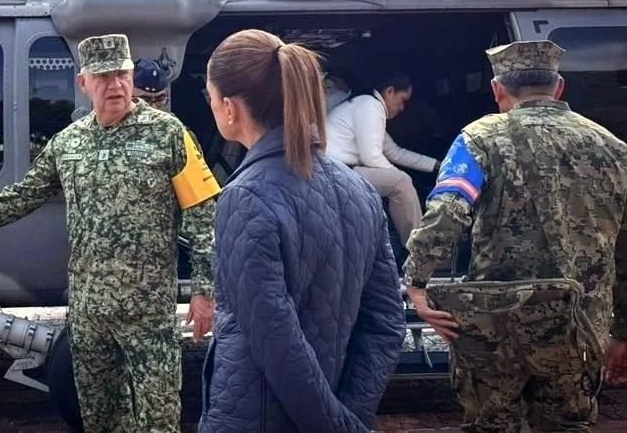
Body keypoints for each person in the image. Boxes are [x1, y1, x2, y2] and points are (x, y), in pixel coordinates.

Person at [0, 34, 220, 433]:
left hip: (148, 313)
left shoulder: (169, 134)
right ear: (84, 83)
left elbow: (201, 212)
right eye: (103, 77)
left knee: (158, 419)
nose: (115, 85)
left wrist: (204, 290)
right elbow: (21, 197)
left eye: (121, 74)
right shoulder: (67, 144)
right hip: (89, 314)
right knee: (97, 418)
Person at [403, 40, 627, 432]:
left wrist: (416, 283)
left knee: (491, 425)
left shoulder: (478, 139)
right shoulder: (614, 149)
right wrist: (622, 331)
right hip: (576, 327)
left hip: (497, 326)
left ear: (497, 89)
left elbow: (447, 212)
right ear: (559, 87)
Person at [198, 29, 405, 432]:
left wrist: (336, 426)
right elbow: (385, 323)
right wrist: (350, 416)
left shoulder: (244, 197)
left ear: (229, 108)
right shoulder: (360, 190)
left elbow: (277, 343)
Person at [326, 71, 439, 245]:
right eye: (402, 100)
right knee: (401, 182)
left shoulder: (365, 105)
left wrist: (435, 164)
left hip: (339, 169)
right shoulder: (371, 106)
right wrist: (399, 176)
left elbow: (395, 153)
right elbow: (371, 157)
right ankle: (419, 249)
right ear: (390, 91)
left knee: (401, 180)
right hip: (337, 171)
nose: (402, 108)